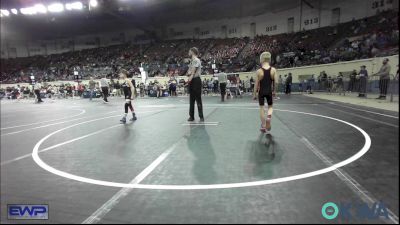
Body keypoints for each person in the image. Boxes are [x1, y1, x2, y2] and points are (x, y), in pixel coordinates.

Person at [253, 52, 276, 134]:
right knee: (270, 107)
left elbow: (256, 84)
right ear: (269, 59)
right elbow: (275, 82)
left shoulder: (259, 71)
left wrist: (254, 94)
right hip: (269, 91)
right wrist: (274, 91)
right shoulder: (273, 70)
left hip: (261, 92)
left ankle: (263, 125)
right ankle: (269, 117)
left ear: (261, 60)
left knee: (261, 108)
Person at [187, 47, 204, 122]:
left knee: (198, 99)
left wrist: (190, 76)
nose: (188, 52)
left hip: (196, 80)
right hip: (192, 80)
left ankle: (201, 116)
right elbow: (188, 72)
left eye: (189, 51)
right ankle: (191, 116)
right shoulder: (191, 61)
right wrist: (189, 74)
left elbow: (193, 71)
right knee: (191, 99)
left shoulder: (197, 60)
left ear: (193, 52)